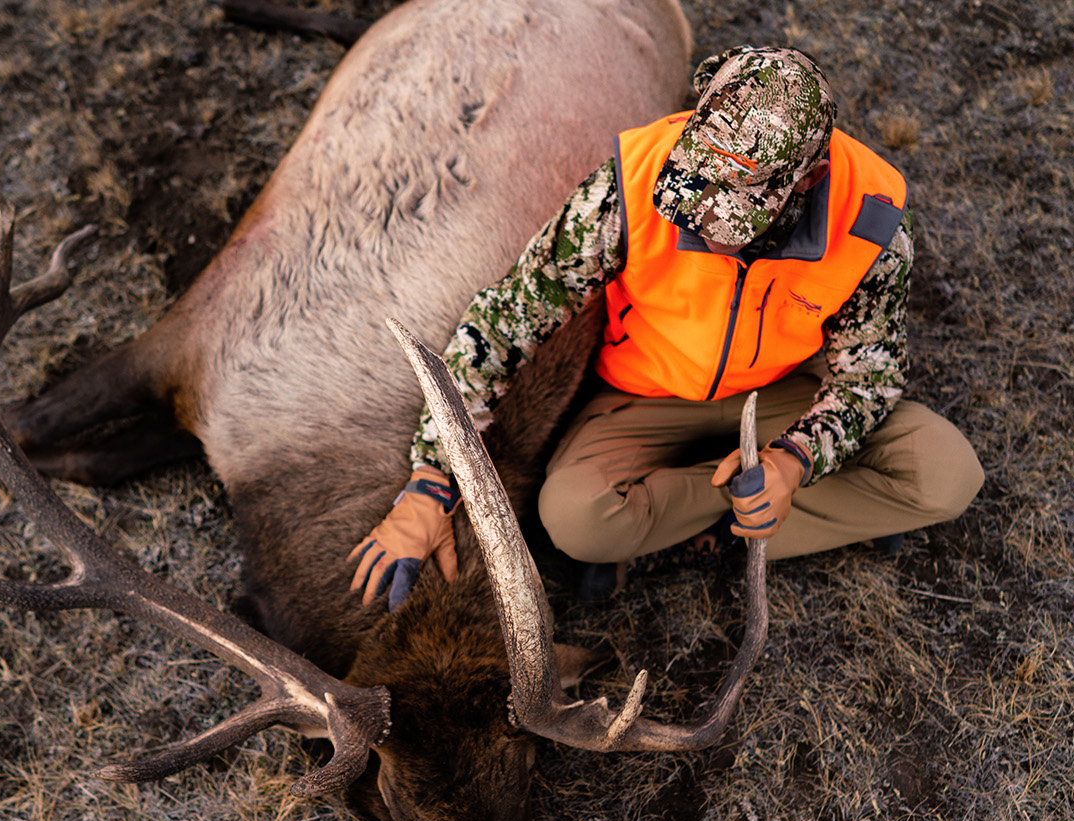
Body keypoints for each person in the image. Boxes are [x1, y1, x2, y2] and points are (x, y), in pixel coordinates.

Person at [350, 47, 984, 608]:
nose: (703, 223)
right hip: (641, 395)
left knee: (946, 474)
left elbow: (867, 377)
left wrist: (795, 459)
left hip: (780, 395)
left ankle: (695, 527)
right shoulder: (631, 182)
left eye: (730, 213)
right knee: (575, 520)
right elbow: (507, 316)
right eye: (693, 194)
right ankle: (768, 518)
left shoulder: (871, 224)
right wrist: (431, 480)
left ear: (809, 178)